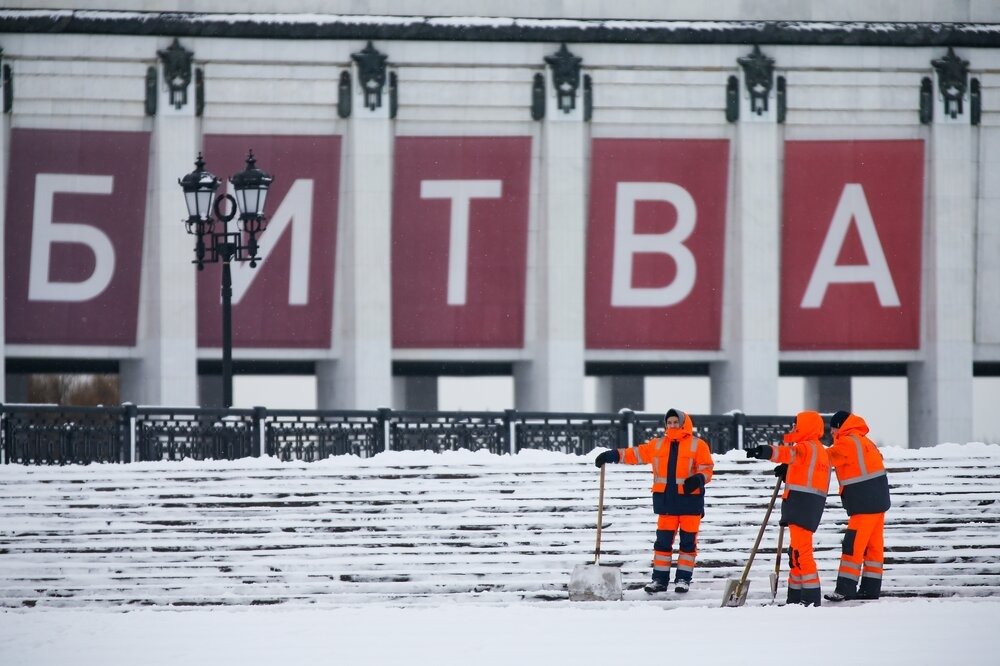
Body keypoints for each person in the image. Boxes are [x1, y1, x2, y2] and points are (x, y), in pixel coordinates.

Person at [594, 409, 714, 594]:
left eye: (676, 422)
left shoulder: (698, 445)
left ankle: (683, 579)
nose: (672, 425)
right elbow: (635, 454)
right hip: (666, 502)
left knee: (688, 543)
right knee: (663, 543)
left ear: (684, 423)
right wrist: (613, 455)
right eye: (670, 422)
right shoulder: (657, 445)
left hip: (690, 502)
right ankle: (659, 580)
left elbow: (707, 469)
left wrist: (698, 479)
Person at [745, 410, 830, 606]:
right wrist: (789, 468)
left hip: (802, 504)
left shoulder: (806, 447)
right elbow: (801, 465)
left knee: (802, 553)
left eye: (795, 425)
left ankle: (809, 599)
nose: (792, 429)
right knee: (796, 554)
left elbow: (787, 453)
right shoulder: (817, 449)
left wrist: (764, 451)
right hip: (806, 504)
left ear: (805, 427)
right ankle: (795, 598)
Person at [823, 410, 891, 602]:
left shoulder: (846, 442)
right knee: (873, 548)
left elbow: (824, 459)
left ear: (839, 427)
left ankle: (845, 589)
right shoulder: (864, 440)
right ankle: (870, 588)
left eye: (832, 430)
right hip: (878, 501)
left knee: (852, 546)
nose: (832, 435)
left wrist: (798, 460)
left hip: (864, 503)